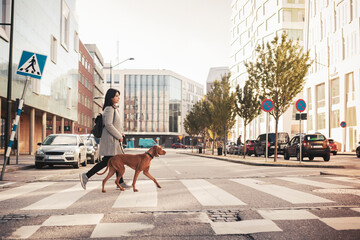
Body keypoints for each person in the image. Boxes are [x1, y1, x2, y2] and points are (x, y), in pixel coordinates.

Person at [79, 88, 130, 190]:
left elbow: (114, 125)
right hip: (110, 141)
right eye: (116, 96)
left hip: (113, 141)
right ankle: (86, 175)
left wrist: (121, 133)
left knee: (116, 162)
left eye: (118, 95)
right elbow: (108, 125)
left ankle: (120, 182)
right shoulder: (109, 109)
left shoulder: (114, 108)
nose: (118, 97)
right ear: (110, 97)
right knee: (107, 162)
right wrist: (118, 136)